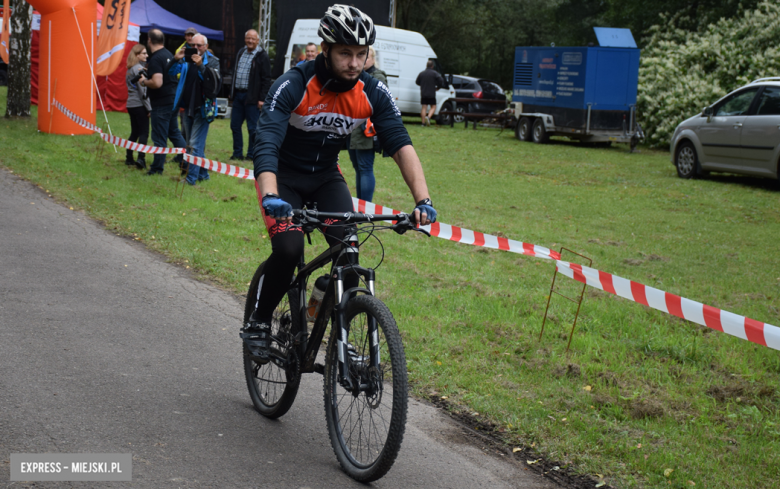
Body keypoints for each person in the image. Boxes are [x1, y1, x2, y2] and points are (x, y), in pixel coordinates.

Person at [241, 4, 437, 360]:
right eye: (346, 53)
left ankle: (336, 335)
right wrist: (270, 193)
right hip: (283, 179)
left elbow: (399, 142)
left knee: (348, 255)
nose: (354, 63)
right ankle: (259, 320)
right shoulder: (294, 84)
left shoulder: (371, 91)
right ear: (326, 48)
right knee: (288, 249)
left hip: (326, 177)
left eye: (361, 54)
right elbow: (266, 142)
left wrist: (423, 200)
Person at [168, 34, 221, 185]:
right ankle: (203, 175)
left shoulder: (213, 61)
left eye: (199, 45)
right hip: (188, 107)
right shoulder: (186, 59)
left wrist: (201, 66)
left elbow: (215, 84)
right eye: (194, 45)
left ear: (206, 46)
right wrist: (176, 58)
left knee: (195, 145)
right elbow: (171, 72)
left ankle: (191, 179)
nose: (196, 48)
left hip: (204, 108)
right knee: (192, 144)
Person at [139, 29, 187, 176]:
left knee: (159, 137)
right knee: (174, 134)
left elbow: (157, 82)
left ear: (149, 40)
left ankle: (156, 169)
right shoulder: (168, 54)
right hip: (173, 100)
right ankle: (188, 163)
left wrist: (144, 82)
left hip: (161, 103)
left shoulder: (155, 58)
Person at [348, 46, 386, 202]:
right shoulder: (356, 76)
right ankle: (360, 204)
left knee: (365, 168)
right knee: (358, 168)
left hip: (366, 130)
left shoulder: (377, 76)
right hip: (353, 128)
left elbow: (378, 104)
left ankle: (366, 206)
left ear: (373, 58)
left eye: (365, 56)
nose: (362, 61)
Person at [229, 29, 272, 161]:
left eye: (253, 39)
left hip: (252, 98)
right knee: (235, 125)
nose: (250, 41)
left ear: (258, 41)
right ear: (245, 39)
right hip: (238, 96)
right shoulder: (240, 52)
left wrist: (262, 99)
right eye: (248, 38)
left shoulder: (262, 56)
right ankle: (237, 153)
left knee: (252, 128)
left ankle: (251, 154)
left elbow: (266, 79)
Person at [125, 44, 151, 170]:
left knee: (134, 132)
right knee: (144, 132)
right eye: (144, 53)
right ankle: (141, 159)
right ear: (137, 55)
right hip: (139, 105)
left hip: (130, 104)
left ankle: (129, 157)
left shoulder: (129, 69)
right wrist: (149, 108)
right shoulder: (139, 69)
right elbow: (143, 91)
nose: (147, 55)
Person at [416, 60, 444, 126]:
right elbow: (441, 80)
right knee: (433, 107)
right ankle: (428, 117)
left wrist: (422, 85)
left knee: (424, 107)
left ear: (427, 65)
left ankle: (423, 123)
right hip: (431, 93)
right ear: (432, 66)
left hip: (423, 93)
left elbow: (417, 82)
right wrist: (438, 87)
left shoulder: (422, 73)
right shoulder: (434, 73)